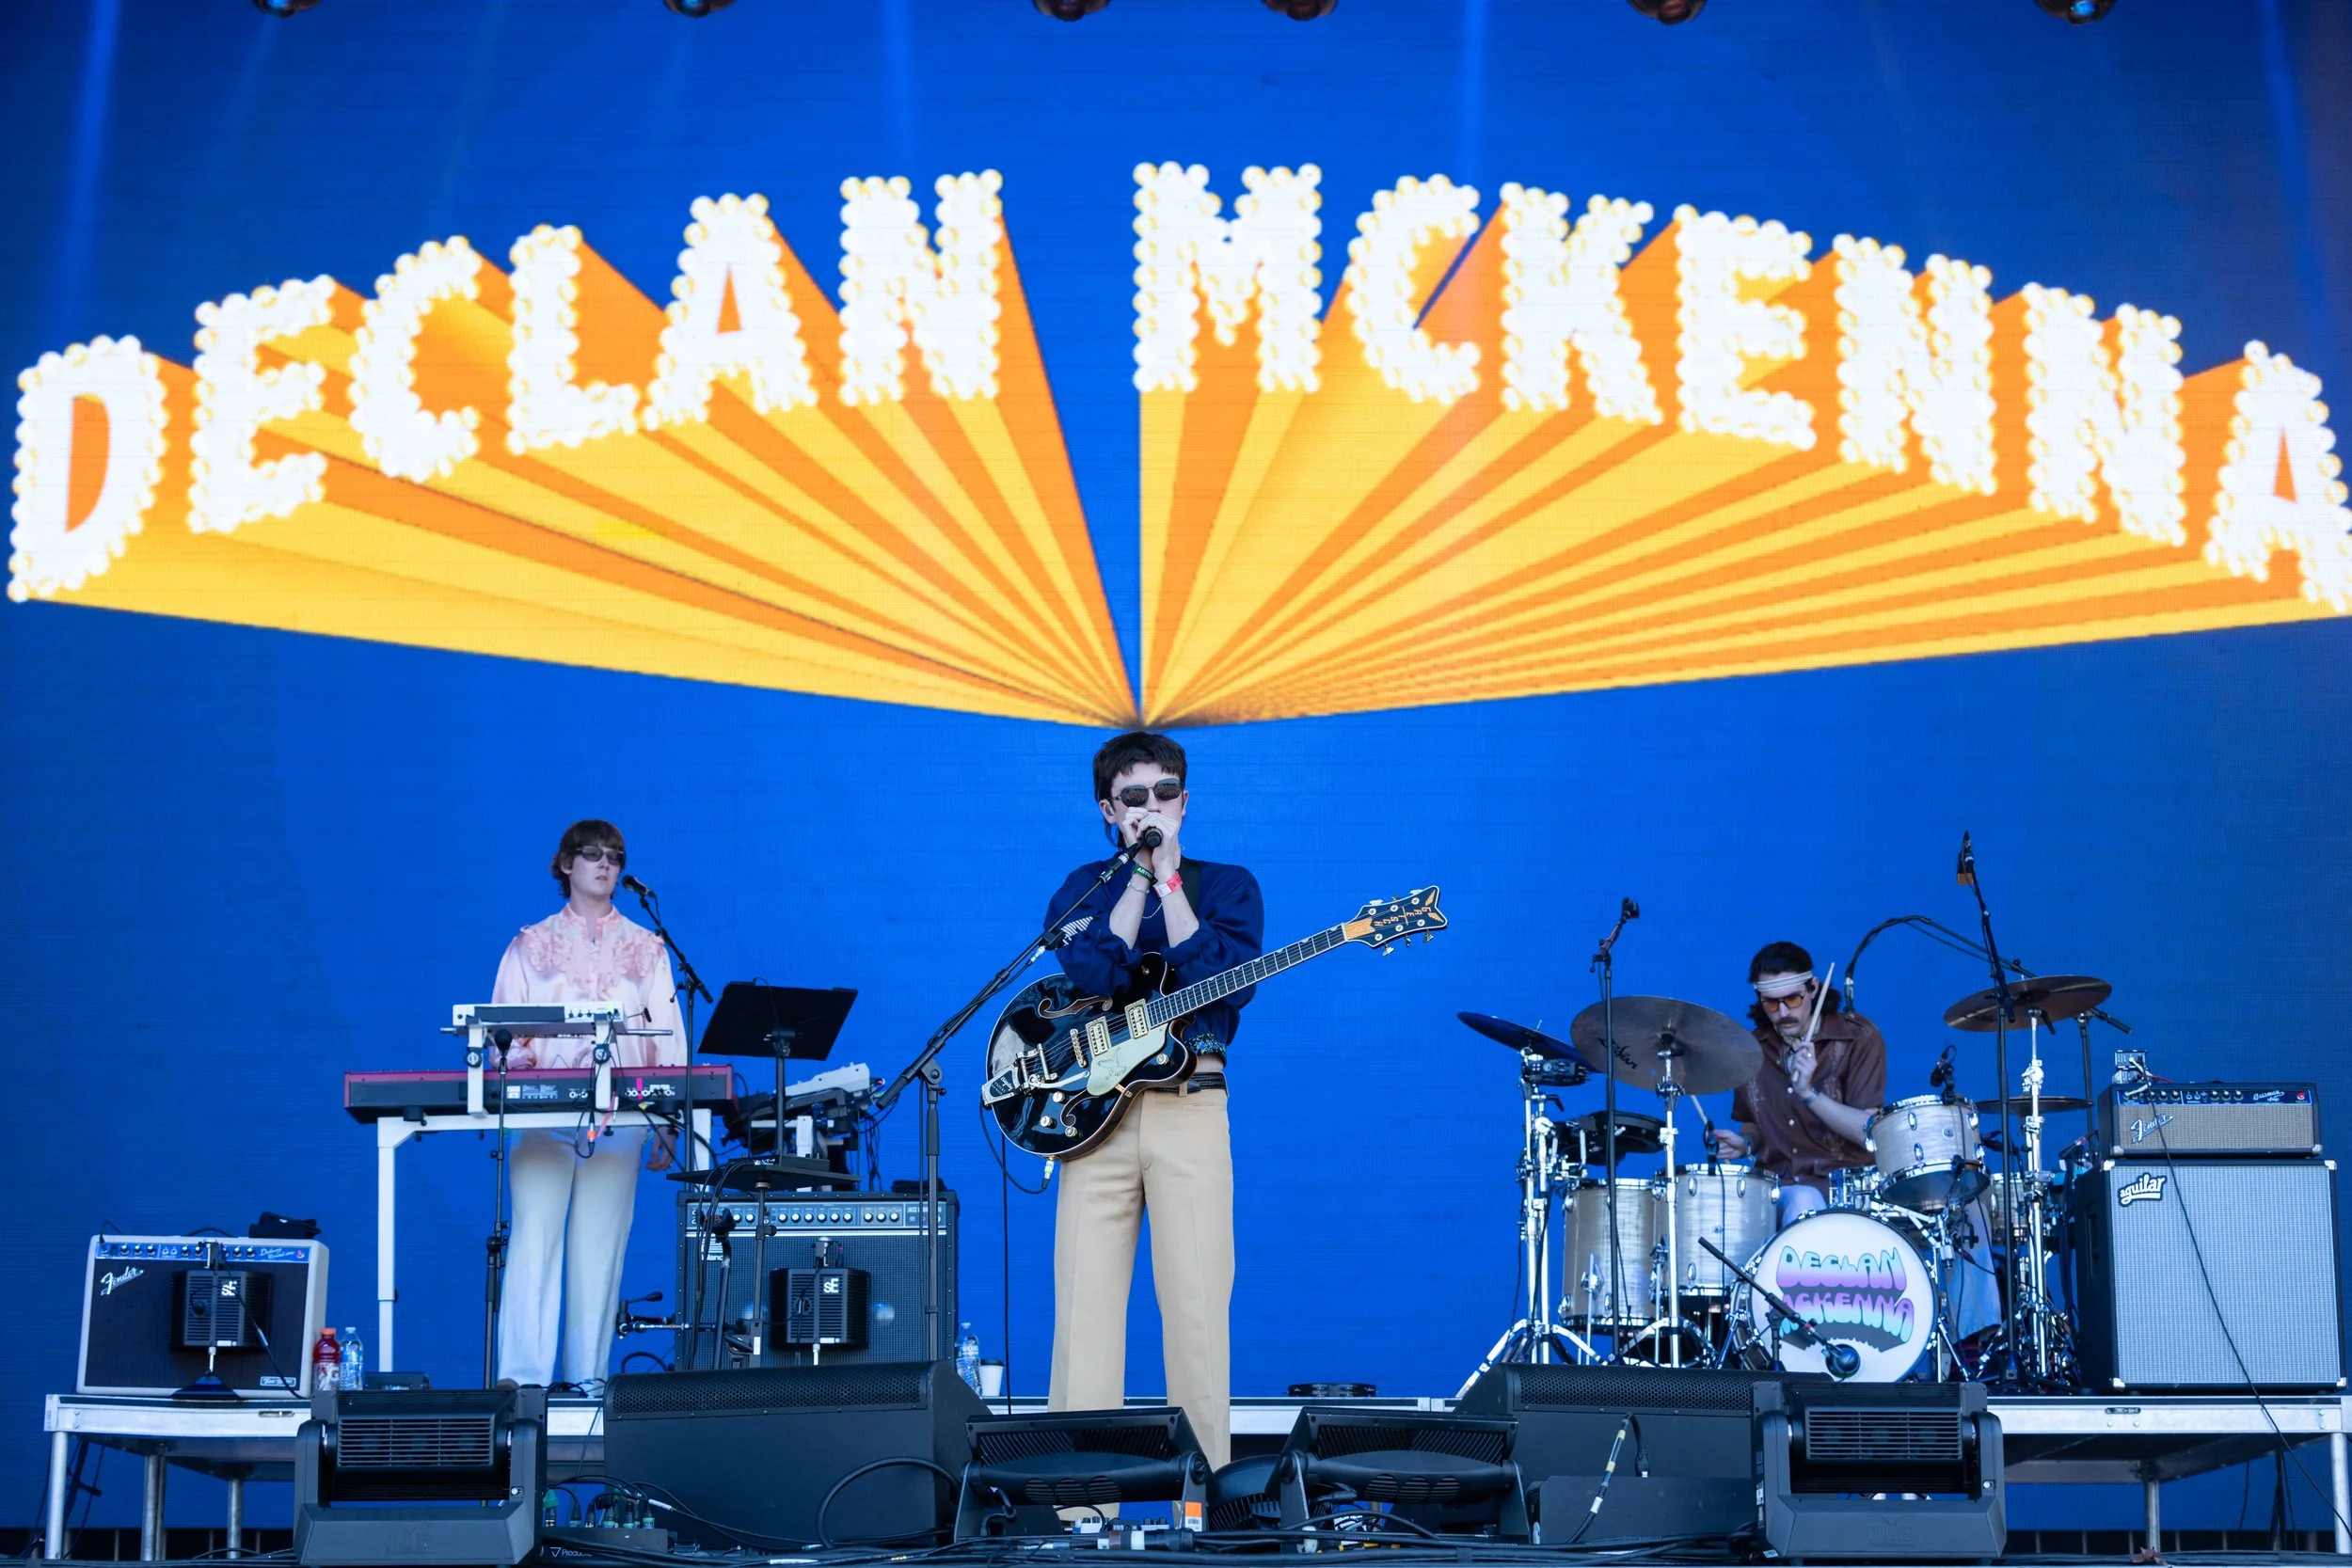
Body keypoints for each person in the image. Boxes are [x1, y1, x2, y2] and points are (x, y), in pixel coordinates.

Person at [1041, 732, 1263, 1472]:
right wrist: (1136, 878)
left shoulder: (1228, 885)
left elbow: (1225, 981)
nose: (1152, 807)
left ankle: (1199, 1499)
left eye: (1165, 792)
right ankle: (1079, 1503)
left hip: (1189, 1103)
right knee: (1084, 1313)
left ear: (1185, 801)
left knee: (1198, 1310)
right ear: (1108, 810)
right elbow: (1094, 974)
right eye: (1133, 796)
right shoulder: (1084, 889)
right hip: (1095, 1119)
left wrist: (1169, 881)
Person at [490, 818, 685, 1391]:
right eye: (593, 853)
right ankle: (522, 1383)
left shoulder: (648, 949)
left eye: (615, 857)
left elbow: (669, 1041)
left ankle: (587, 1384)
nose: (605, 864)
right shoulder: (530, 944)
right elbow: (502, 1035)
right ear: (565, 864)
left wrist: (669, 1119)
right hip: (544, 1117)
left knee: (601, 1248)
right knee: (533, 1239)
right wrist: (526, 1078)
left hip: (623, 1117)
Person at [1711, 941, 1883, 1227]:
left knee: (1805, 1198)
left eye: (1792, 999)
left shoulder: (1857, 1037)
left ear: (1813, 988)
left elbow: (1869, 1132)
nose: (1782, 1013)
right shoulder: (1752, 1049)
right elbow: (1754, 1125)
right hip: (1775, 1191)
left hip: (1842, 1194)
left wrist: (1809, 1094)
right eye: (1771, 1003)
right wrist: (1745, 1144)